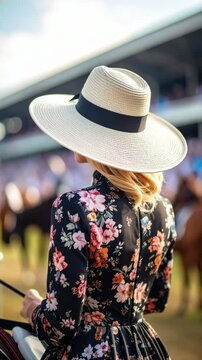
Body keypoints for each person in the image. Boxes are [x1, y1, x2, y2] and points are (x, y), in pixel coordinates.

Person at [20, 65, 187, 359]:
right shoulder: (165, 209)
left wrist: (35, 309)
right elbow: (156, 300)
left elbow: (59, 326)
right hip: (145, 348)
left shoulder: (73, 207)